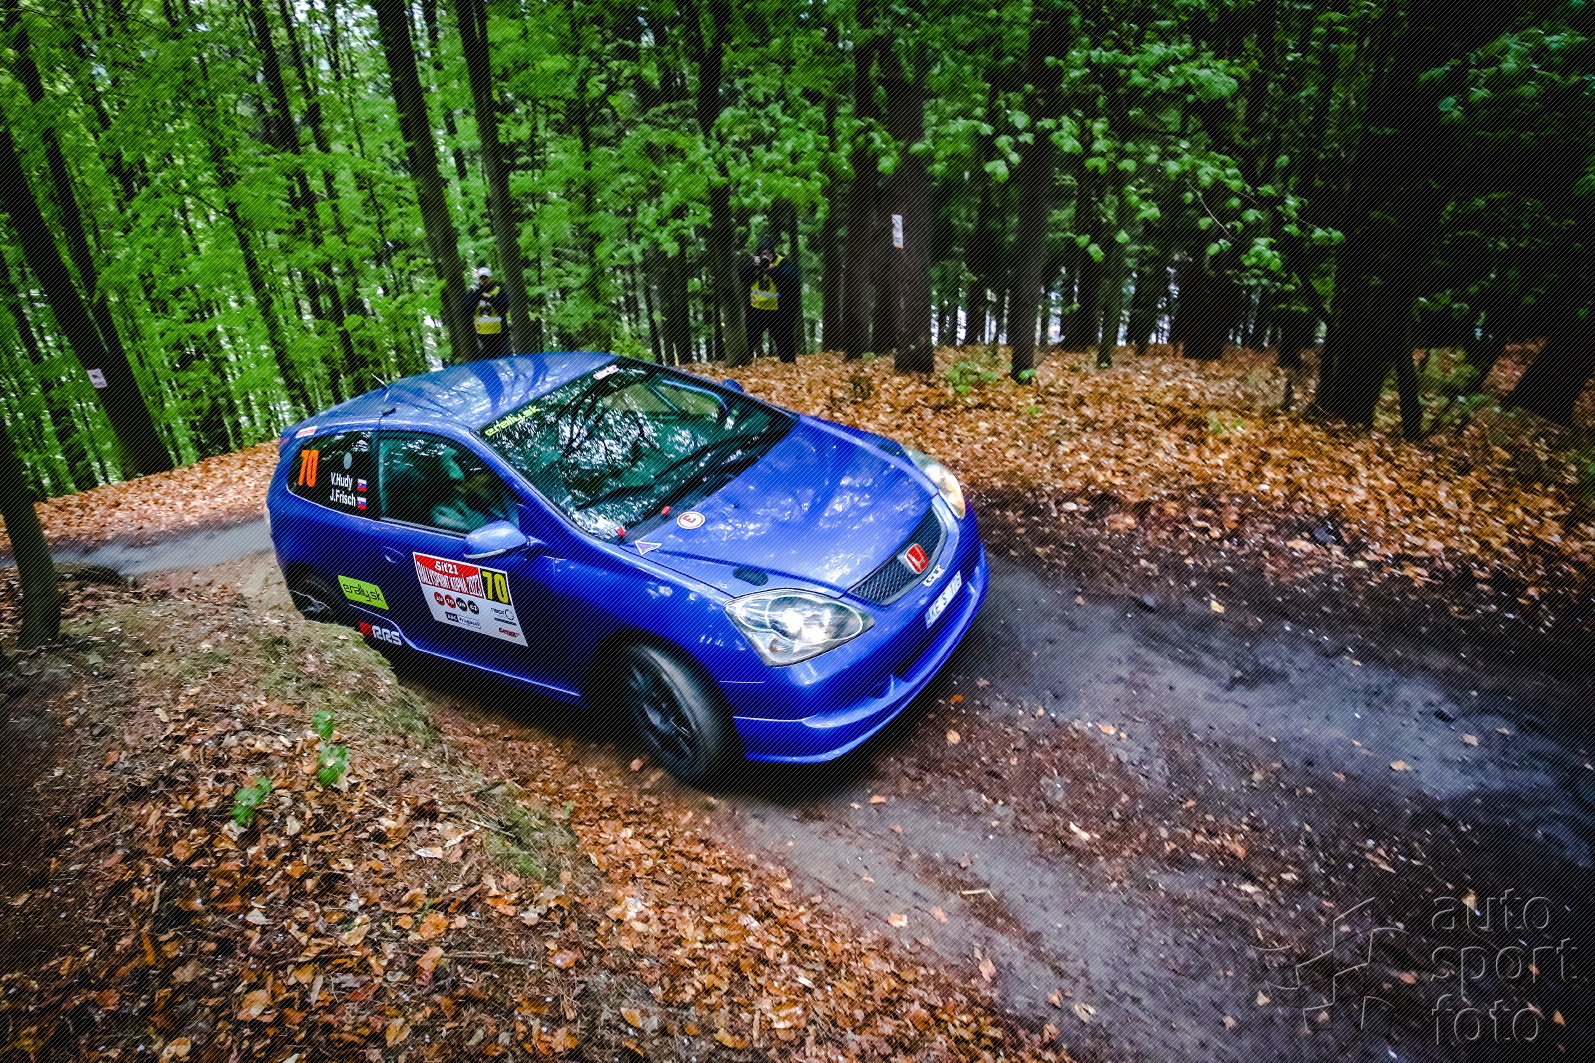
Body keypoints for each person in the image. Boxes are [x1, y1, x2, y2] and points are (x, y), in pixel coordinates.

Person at [738, 237, 800, 363]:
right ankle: (742, 366)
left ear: (773, 253)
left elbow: (791, 279)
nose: (766, 257)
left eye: (769, 254)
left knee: (785, 343)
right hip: (756, 309)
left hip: (779, 312)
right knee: (747, 341)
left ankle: (789, 367)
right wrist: (752, 265)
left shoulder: (783, 263)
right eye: (763, 254)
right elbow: (743, 277)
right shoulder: (754, 263)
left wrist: (771, 269)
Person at [462, 266, 509, 360]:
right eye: (482, 278)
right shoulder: (473, 292)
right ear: (479, 279)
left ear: (490, 278)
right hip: (482, 335)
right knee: (487, 362)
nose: (484, 280)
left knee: (507, 358)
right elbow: (467, 310)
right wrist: (477, 297)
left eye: (486, 277)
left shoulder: (499, 290)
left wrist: (489, 298)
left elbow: (505, 307)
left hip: (501, 333)